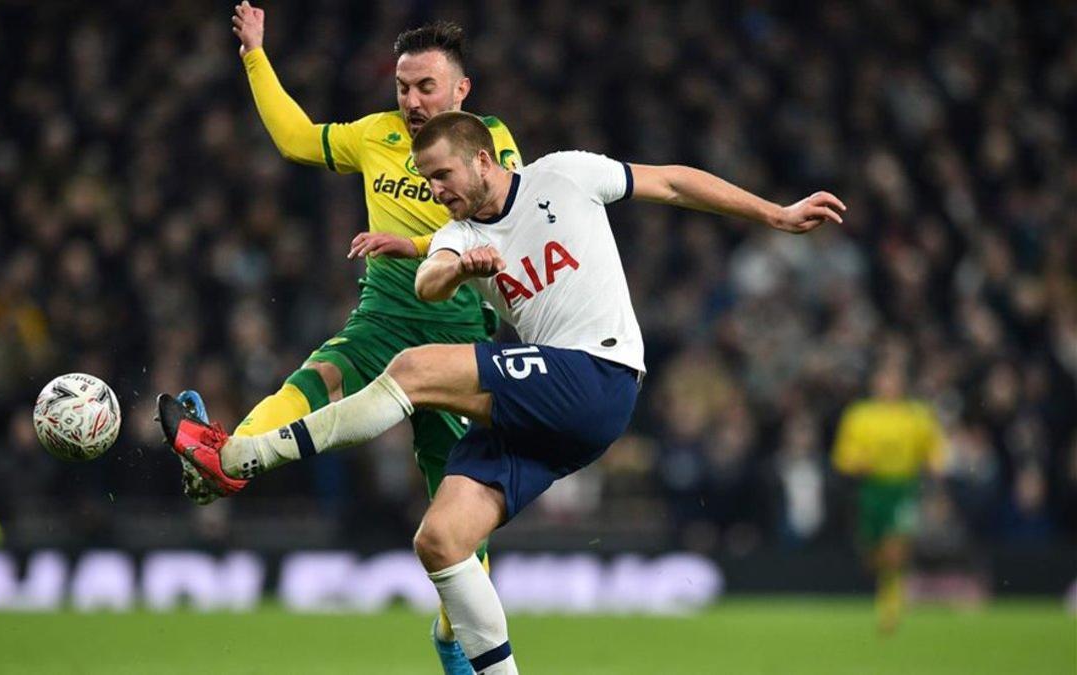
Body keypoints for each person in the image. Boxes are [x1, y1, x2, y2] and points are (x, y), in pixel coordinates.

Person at [161, 111, 844, 674]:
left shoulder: (565, 174)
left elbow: (669, 182)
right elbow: (431, 281)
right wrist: (459, 267)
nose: (436, 191)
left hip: (596, 373)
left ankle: (243, 458)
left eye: (443, 176)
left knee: (414, 367)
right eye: (426, 181)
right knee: (442, 539)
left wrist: (774, 214)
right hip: (554, 408)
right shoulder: (456, 235)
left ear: (483, 159)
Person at [203, 6, 522, 672]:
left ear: (461, 91)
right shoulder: (375, 134)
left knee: (459, 517)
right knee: (315, 381)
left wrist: (407, 242)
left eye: (425, 87)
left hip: (461, 344)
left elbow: (498, 224)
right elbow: (296, 138)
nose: (410, 101)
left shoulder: (490, 143)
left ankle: (453, 633)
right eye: (403, 87)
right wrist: (256, 53)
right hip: (381, 323)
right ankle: (225, 457)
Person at [832, 361, 946, 633]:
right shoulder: (860, 416)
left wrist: (935, 465)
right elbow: (842, 456)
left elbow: (935, 449)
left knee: (896, 547)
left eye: (894, 381)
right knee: (872, 551)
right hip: (872, 489)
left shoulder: (917, 415)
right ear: (875, 384)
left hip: (902, 487)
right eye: (884, 380)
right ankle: (887, 586)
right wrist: (857, 462)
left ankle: (891, 606)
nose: (889, 387)